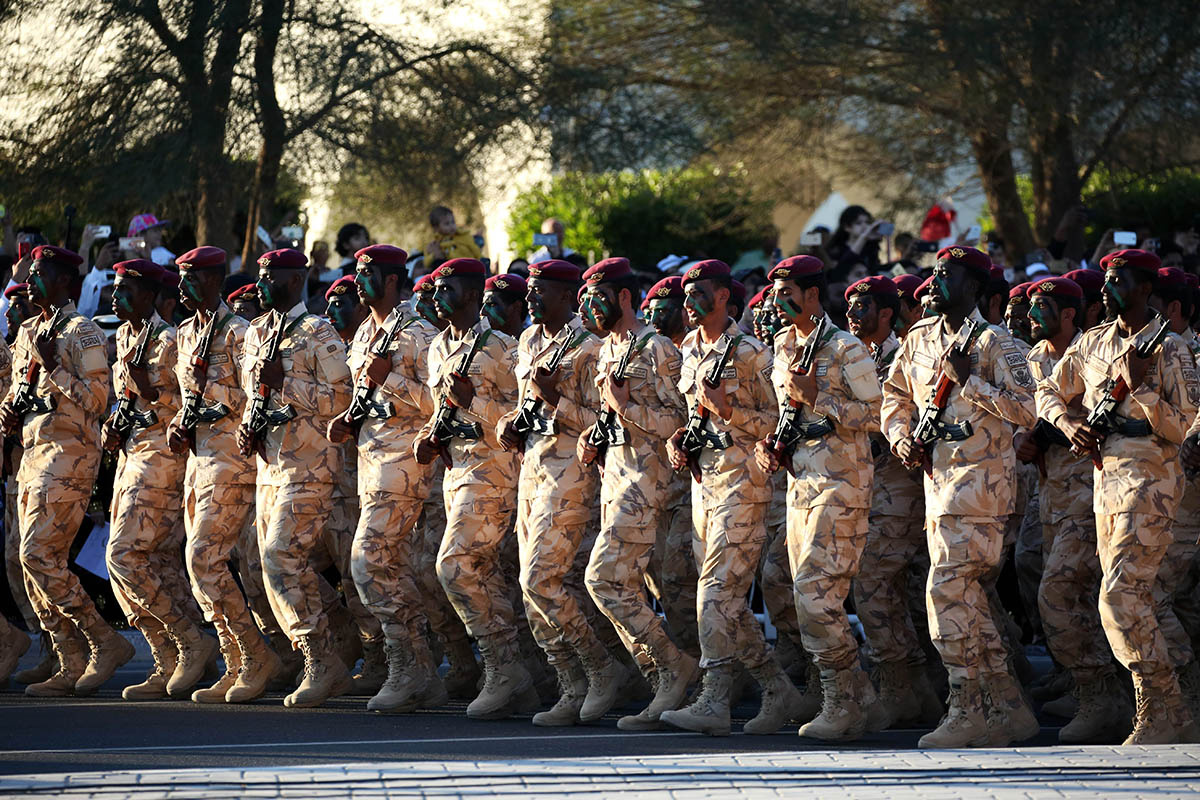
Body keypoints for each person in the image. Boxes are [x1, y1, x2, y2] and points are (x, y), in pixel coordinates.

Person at [882, 245, 1038, 748]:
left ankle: (968, 706)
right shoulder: (921, 337)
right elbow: (894, 395)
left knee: (946, 592)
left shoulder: (997, 342)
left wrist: (970, 382)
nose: (936, 281)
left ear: (973, 286)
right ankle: (1009, 709)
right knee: (966, 599)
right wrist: (900, 434)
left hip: (981, 490)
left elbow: (1029, 411)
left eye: (948, 274)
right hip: (938, 487)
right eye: (935, 272)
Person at [1046, 249, 1199, 743]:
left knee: (1121, 597)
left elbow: (1185, 427)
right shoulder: (1092, 343)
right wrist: (1067, 422)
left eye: (1119, 281)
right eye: (1106, 280)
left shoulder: (1170, 348)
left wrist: (1144, 391)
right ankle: (1158, 708)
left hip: (1151, 483)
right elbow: (1045, 389)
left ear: (1144, 289)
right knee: (1128, 598)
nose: (1108, 289)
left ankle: (1167, 706)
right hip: (1104, 481)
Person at [660, 260, 799, 736]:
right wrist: (680, 438)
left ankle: (714, 698)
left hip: (745, 487)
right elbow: (697, 418)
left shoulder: (753, 353)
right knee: (730, 602)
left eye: (698, 292)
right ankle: (777, 688)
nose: (688, 302)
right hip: (706, 486)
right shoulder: (691, 350)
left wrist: (729, 410)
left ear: (723, 297)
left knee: (716, 593)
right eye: (685, 293)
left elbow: (782, 423)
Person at [753, 255, 884, 741]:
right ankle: (859, 696)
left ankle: (841, 700)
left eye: (787, 292)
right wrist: (775, 445)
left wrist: (819, 399)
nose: (777, 301)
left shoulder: (846, 347)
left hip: (842, 485)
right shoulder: (784, 344)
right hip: (801, 485)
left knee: (815, 595)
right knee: (792, 588)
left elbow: (878, 415)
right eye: (773, 293)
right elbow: (789, 413)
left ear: (812, 295)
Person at [494, 260, 624, 726]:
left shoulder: (590, 348)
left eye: (540, 291)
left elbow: (605, 423)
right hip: (532, 471)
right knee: (537, 589)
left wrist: (556, 401)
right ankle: (571, 683)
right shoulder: (528, 341)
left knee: (540, 580)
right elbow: (523, 405)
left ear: (567, 297)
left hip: (571, 475)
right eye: (528, 290)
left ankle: (601, 668)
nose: (530, 298)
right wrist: (511, 422)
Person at [325, 245, 445, 712]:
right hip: (371, 463)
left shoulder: (419, 334)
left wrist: (390, 380)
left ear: (394, 280)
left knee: (368, 560)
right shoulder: (365, 334)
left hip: (405, 463)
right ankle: (421, 672)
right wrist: (348, 421)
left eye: (369, 273)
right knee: (389, 565)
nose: (358, 280)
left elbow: (441, 405)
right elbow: (364, 396)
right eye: (357, 272)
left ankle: (408, 666)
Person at [576, 257, 693, 731]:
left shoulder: (659, 349)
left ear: (624, 298)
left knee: (603, 579)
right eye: (587, 299)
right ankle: (664, 677)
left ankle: (670, 665)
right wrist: (595, 434)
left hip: (650, 481)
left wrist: (627, 409)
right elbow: (612, 417)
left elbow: (683, 424)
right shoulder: (608, 351)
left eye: (600, 298)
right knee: (630, 584)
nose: (592, 307)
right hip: (617, 478)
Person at [236, 248, 353, 708]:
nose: (262, 282)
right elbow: (255, 394)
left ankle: (321, 661)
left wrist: (288, 382)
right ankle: (338, 636)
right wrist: (250, 425)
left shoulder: (318, 332)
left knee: (282, 556)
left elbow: (340, 400)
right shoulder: (257, 332)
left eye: (272, 276)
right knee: (268, 563)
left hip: (309, 466)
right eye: (261, 274)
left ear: (295, 279)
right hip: (269, 465)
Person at [0, 246, 119, 697]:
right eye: (31, 271)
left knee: (37, 555)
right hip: (32, 455)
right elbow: (20, 396)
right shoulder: (32, 329)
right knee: (27, 561)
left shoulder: (81, 332)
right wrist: (10, 416)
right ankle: (65, 654)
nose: (30, 279)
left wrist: (54, 366)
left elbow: (97, 402)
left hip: (69, 458)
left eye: (41, 272)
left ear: (66, 281)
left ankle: (101, 643)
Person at [1016, 276, 1128, 742]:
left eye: (1041, 309)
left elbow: (1105, 417)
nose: (1030, 317)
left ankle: (1104, 695)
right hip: (1052, 494)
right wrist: (1030, 435)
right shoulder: (1036, 358)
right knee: (1066, 592)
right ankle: (1090, 689)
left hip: (1088, 491)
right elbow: (1032, 415)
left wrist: (1051, 429)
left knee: (1060, 592)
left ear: (1068, 314)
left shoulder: (1092, 352)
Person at [166, 246, 280, 704]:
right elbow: (186, 398)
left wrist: (209, 412)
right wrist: (179, 423)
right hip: (199, 462)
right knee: (202, 568)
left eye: (191, 278)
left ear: (214, 282)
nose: (181, 287)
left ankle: (255, 655)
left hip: (231, 461)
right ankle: (237, 661)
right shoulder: (186, 332)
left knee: (203, 558)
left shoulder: (239, 333)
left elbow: (252, 398)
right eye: (180, 278)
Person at [413, 257, 524, 719]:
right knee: (484, 571)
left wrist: (473, 402)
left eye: (449, 288)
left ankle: (504, 666)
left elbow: (523, 418)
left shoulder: (502, 347)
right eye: (436, 288)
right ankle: (522, 674)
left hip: (494, 470)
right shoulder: (439, 345)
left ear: (475, 295)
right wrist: (429, 435)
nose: (439, 296)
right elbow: (441, 408)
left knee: (453, 566)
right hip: (455, 470)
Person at [100, 259, 203, 699]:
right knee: (156, 559)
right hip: (132, 455)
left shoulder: (170, 340)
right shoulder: (125, 335)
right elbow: (127, 397)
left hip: (162, 457)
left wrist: (150, 394)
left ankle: (188, 640)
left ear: (148, 296)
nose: (115, 298)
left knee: (123, 555)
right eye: (115, 289)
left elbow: (188, 404)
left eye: (125, 290)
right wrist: (113, 423)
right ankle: (173, 656)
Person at [844, 275, 942, 727]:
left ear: (887, 314)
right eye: (851, 307)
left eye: (863, 308)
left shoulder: (906, 353)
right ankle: (914, 688)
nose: (852, 315)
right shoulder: (849, 355)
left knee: (872, 581)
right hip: (864, 489)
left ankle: (903, 683)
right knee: (893, 588)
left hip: (900, 489)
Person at [482, 274, 528, 338]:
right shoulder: (481, 344)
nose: (482, 312)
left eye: (492, 304)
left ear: (516, 306)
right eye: (483, 305)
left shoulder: (532, 345)